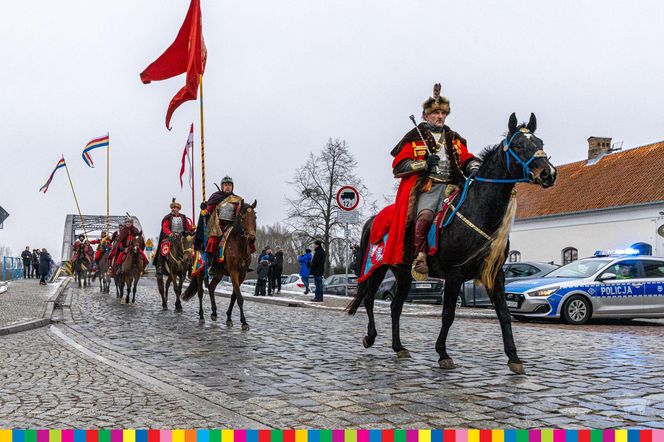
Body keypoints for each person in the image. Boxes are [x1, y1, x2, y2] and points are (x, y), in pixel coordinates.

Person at [387, 83, 481, 280]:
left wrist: (473, 164)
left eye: (443, 114)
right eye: (436, 113)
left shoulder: (454, 138)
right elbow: (399, 166)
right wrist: (423, 164)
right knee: (424, 219)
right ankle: (420, 257)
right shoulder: (414, 138)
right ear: (426, 116)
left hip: (453, 187)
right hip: (428, 188)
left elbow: (465, 157)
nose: (440, 117)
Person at [194, 176, 244, 277]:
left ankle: (244, 262)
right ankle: (212, 265)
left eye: (229, 185)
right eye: (225, 185)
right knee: (212, 241)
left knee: (245, 240)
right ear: (222, 186)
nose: (228, 187)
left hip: (232, 226)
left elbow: (240, 212)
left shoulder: (237, 199)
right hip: (218, 226)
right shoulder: (216, 197)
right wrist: (205, 209)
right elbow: (209, 209)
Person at [154, 198, 195, 275]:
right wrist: (170, 233)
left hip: (182, 237)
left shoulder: (183, 217)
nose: (173, 209)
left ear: (178, 209)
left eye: (175, 208)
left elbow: (188, 227)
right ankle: (160, 266)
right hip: (171, 237)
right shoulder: (168, 218)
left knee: (190, 248)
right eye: (172, 208)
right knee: (163, 248)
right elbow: (165, 228)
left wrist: (192, 229)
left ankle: (190, 267)